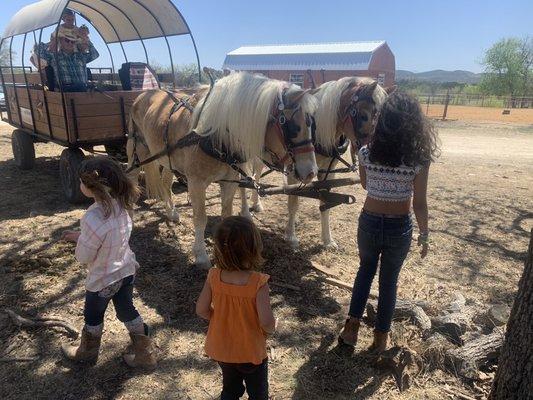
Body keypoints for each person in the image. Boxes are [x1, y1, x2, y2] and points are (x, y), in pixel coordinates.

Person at [338, 91, 440, 353]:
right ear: (415, 124)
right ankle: (381, 339)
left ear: (381, 121)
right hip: (399, 227)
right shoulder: (419, 159)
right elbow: (419, 203)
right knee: (388, 282)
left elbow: (366, 185)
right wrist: (425, 235)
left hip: (369, 222)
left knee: (364, 272)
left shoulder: (365, 152)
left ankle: (351, 329)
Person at [61, 157, 156, 369]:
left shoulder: (92, 217)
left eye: (81, 182)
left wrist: (82, 241)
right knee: (126, 310)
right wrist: (80, 236)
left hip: (102, 280)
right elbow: (110, 238)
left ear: (89, 186)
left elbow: (84, 256)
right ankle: (144, 353)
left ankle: (87, 352)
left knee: (93, 315)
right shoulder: (123, 207)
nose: (80, 185)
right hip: (125, 272)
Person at [196, 216, 276, 400]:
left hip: (224, 351)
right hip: (251, 352)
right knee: (258, 393)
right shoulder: (259, 283)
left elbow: (201, 310)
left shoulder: (214, 276)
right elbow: (266, 321)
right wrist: (272, 328)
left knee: (230, 391)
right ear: (254, 247)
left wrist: (220, 319)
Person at [34, 11, 99, 92]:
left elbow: (95, 54)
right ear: (61, 40)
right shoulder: (54, 56)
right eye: (67, 40)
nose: (70, 43)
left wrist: (85, 39)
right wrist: (54, 40)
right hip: (65, 91)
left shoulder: (81, 56)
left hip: (82, 91)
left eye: (73, 41)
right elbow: (37, 49)